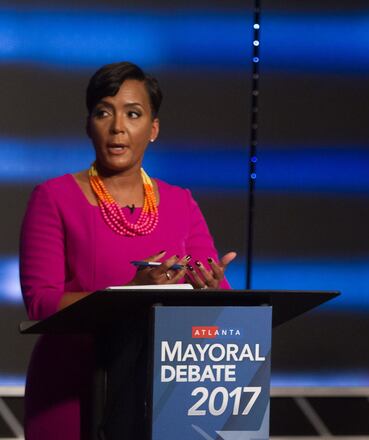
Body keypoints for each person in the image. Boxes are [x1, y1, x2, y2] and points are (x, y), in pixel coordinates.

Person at [19, 61, 237, 440]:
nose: (118, 127)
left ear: (152, 129)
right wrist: (130, 293)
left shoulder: (180, 203)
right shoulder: (54, 198)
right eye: (104, 112)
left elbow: (218, 290)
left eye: (133, 114)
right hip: (72, 388)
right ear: (89, 124)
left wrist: (212, 288)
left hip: (161, 392)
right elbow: (41, 302)